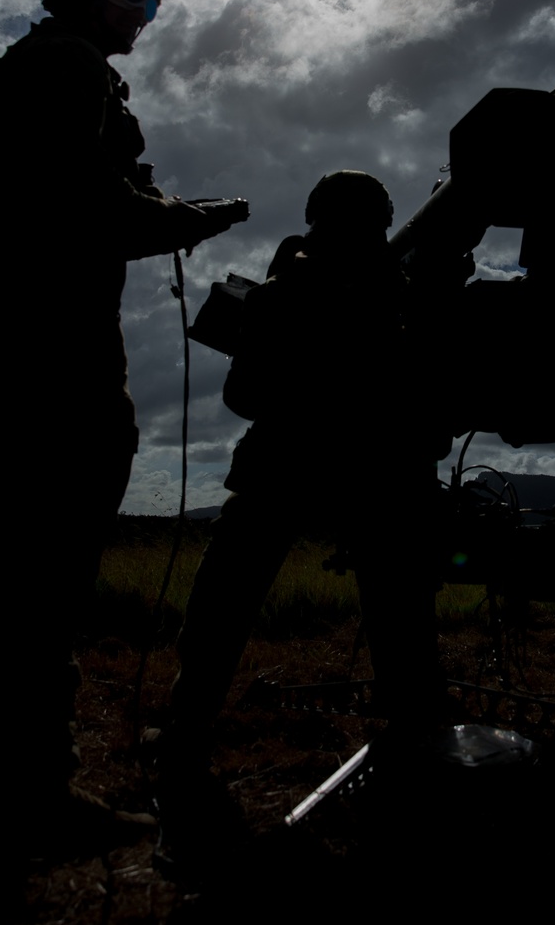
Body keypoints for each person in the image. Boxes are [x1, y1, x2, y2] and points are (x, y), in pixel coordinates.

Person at [0, 0, 248, 859]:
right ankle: (35, 800)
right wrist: (200, 216)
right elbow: (94, 208)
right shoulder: (68, 71)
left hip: (4, 344)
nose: (141, 12)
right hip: (62, 356)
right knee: (46, 581)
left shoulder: (13, 76)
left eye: (153, 2)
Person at [154, 170, 449, 846]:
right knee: (395, 608)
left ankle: (184, 737)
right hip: (356, 470)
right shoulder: (393, 298)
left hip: (304, 464)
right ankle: (420, 739)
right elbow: (434, 404)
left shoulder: (295, 297)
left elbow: (242, 397)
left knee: (229, 600)